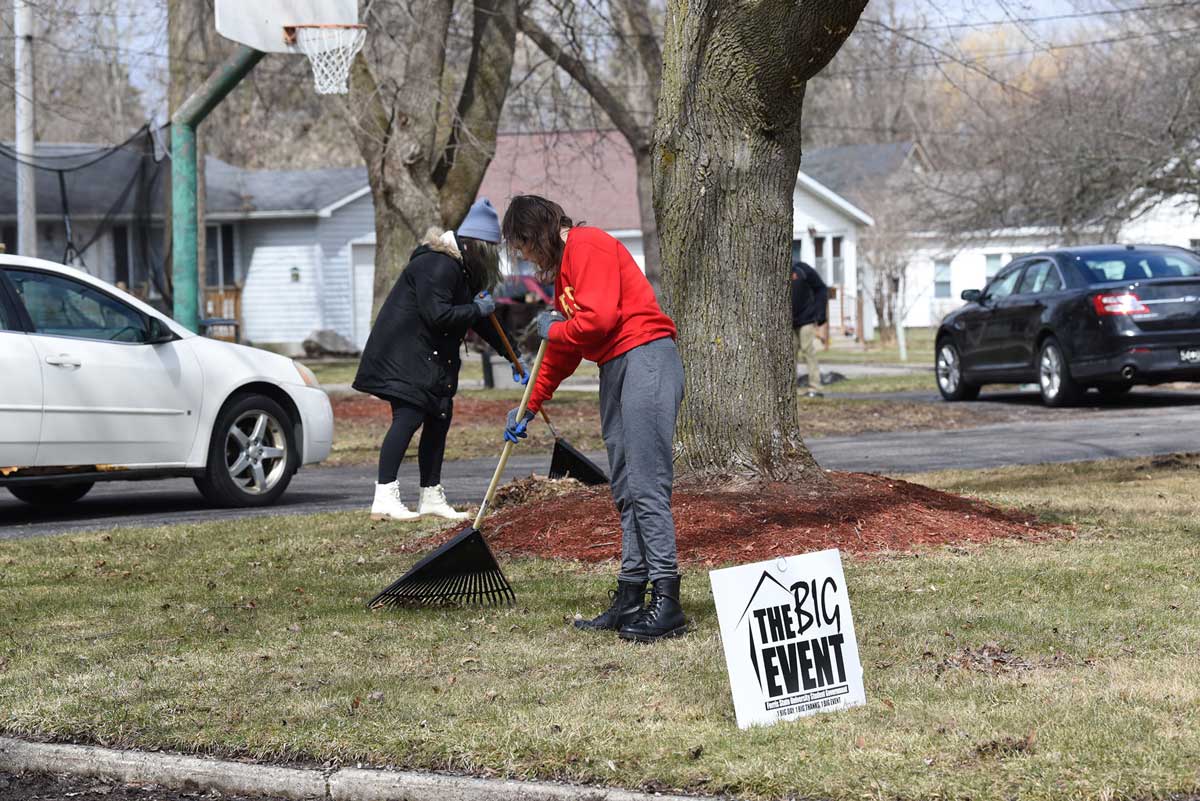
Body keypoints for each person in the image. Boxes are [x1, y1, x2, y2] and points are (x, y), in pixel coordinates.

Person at [499, 195, 687, 643]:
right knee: (625, 487)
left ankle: (668, 601)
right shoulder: (567, 273)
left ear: (538, 232)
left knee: (646, 484)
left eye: (523, 245)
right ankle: (630, 595)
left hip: (646, 358)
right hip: (617, 367)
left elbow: (598, 321)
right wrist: (528, 404)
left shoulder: (589, 244)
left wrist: (553, 327)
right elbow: (562, 353)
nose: (524, 257)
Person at [353, 198, 526, 522]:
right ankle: (384, 497)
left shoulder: (462, 269)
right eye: (490, 249)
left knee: (439, 419)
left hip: (432, 361)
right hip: (405, 358)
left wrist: (513, 355)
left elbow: (480, 321)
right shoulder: (437, 265)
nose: (492, 258)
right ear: (476, 244)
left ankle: (431, 496)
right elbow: (438, 316)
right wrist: (477, 309)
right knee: (408, 418)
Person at [791, 260, 829, 398]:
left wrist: (820, 315)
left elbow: (821, 288)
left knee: (808, 350)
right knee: (789, 355)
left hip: (806, 319)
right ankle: (790, 389)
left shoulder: (802, 269)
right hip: (787, 321)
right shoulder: (775, 268)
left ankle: (815, 387)